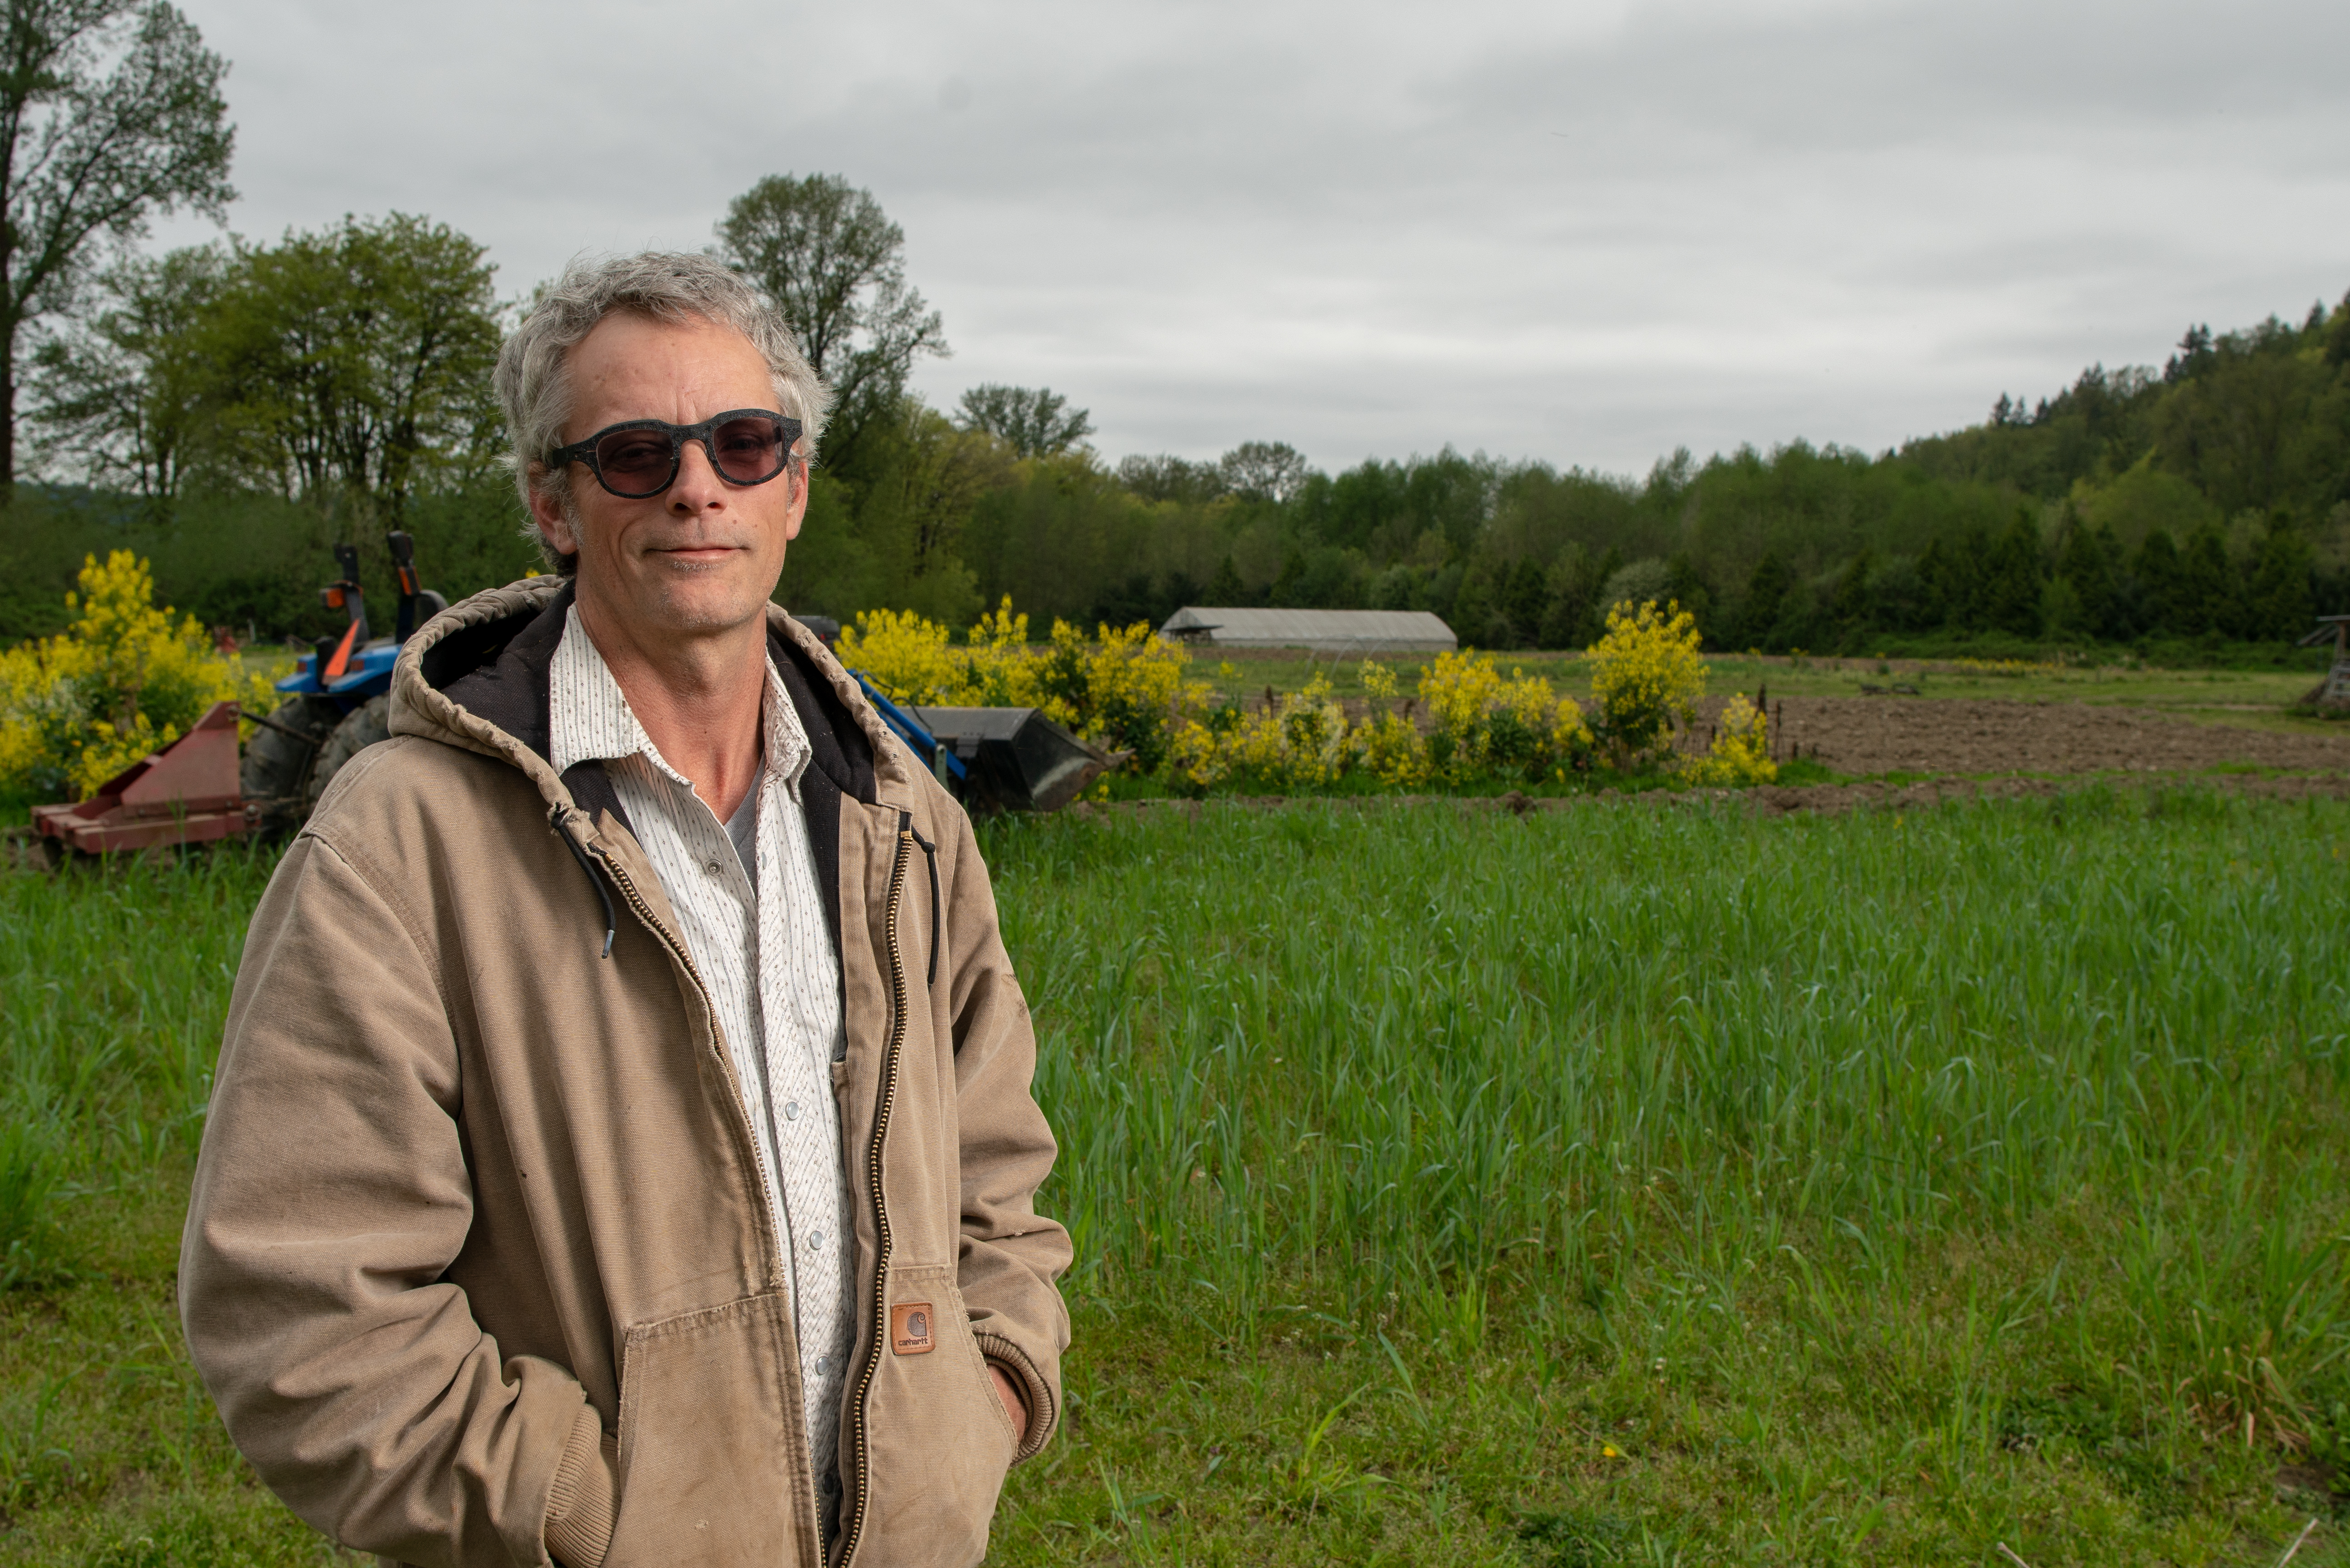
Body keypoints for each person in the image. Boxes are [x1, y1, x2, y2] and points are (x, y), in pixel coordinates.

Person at [180, 252, 1070, 1568]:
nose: (699, 485)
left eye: (744, 441)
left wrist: (983, 1394)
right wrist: (589, 1518)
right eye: (637, 453)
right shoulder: (403, 839)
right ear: (553, 501)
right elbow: (302, 1304)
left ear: (797, 485)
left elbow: (996, 1161)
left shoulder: (903, 822)